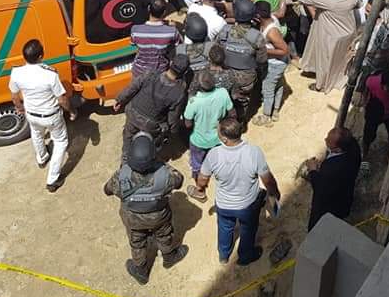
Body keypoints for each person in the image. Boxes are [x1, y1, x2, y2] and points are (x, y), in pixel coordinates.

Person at [104, 132, 188, 284]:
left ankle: (141, 271)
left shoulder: (121, 176)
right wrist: (161, 165)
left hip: (133, 218)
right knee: (164, 234)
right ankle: (169, 257)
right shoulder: (166, 175)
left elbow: (107, 190)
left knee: (137, 242)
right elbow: (179, 180)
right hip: (159, 216)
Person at [196, 117, 281, 265]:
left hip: (224, 205)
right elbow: (268, 180)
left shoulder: (213, 154)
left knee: (224, 228)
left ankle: (224, 255)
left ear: (224, 138)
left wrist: (200, 188)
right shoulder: (254, 152)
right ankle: (245, 256)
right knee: (248, 230)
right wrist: (274, 193)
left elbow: (202, 179)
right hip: (247, 205)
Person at [8, 39, 73, 193]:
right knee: (60, 142)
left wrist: (20, 108)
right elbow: (62, 99)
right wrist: (71, 111)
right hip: (51, 115)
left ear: (24, 56)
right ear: (40, 56)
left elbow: (14, 96)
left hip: (31, 114)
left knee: (36, 134)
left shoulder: (16, 72)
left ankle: (42, 158)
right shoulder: (50, 74)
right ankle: (52, 180)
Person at [285, 0, 359, 93]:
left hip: (330, 35)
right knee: (340, 60)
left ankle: (321, 85)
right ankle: (335, 78)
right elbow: (358, 4)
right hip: (347, 32)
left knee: (325, 60)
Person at [113, 52, 188, 159]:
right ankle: (147, 160)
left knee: (128, 137)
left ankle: (125, 158)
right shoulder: (179, 94)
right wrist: (172, 133)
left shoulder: (150, 74)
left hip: (133, 113)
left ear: (171, 63)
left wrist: (119, 99)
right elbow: (173, 118)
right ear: (184, 72)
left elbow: (133, 87)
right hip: (151, 126)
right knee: (150, 144)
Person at [183, 69, 234, 199]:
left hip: (199, 141)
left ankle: (200, 191)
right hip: (218, 138)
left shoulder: (194, 101)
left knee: (197, 165)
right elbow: (232, 113)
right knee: (219, 163)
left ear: (199, 85)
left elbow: (187, 124)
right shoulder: (223, 93)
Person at [215, 0, 268, 120]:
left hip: (225, 76)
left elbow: (216, 53)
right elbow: (262, 61)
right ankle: (239, 122)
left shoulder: (225, 31)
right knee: (242, 102)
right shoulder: (256, 36)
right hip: (245, 80)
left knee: (224, 100)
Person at [303, 127, 362, 230]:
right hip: (345, 195)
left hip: (331, 207)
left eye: (329, 141)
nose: (325, 140)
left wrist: (313, 170)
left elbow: (320, 189)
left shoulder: (332, 169)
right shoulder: (353, 147)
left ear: (338, 149)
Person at [251, 0, 289, 127]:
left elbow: (284, 50)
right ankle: (275, 110)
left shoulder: (271, 31)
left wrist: (263, 50)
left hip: (275, 63)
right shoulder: (271, 18)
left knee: (267, 89)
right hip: (280, 63)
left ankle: (266, 116)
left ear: (258, 16)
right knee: (278, 85)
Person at [361, 70, 389, 171]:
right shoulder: (372, 82)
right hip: (375, 110)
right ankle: (364, 153)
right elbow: (365, 85)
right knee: (369, 134)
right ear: (382, 85)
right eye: (388, 90)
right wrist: (364, 101)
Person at [129, 0, 180, 79]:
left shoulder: (135, 30)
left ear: (148, 9)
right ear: (164, 12)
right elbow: (178, 44)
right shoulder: (172, 31)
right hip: (160, 73)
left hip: (139, 72)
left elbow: (133, 44)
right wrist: (173, 27)